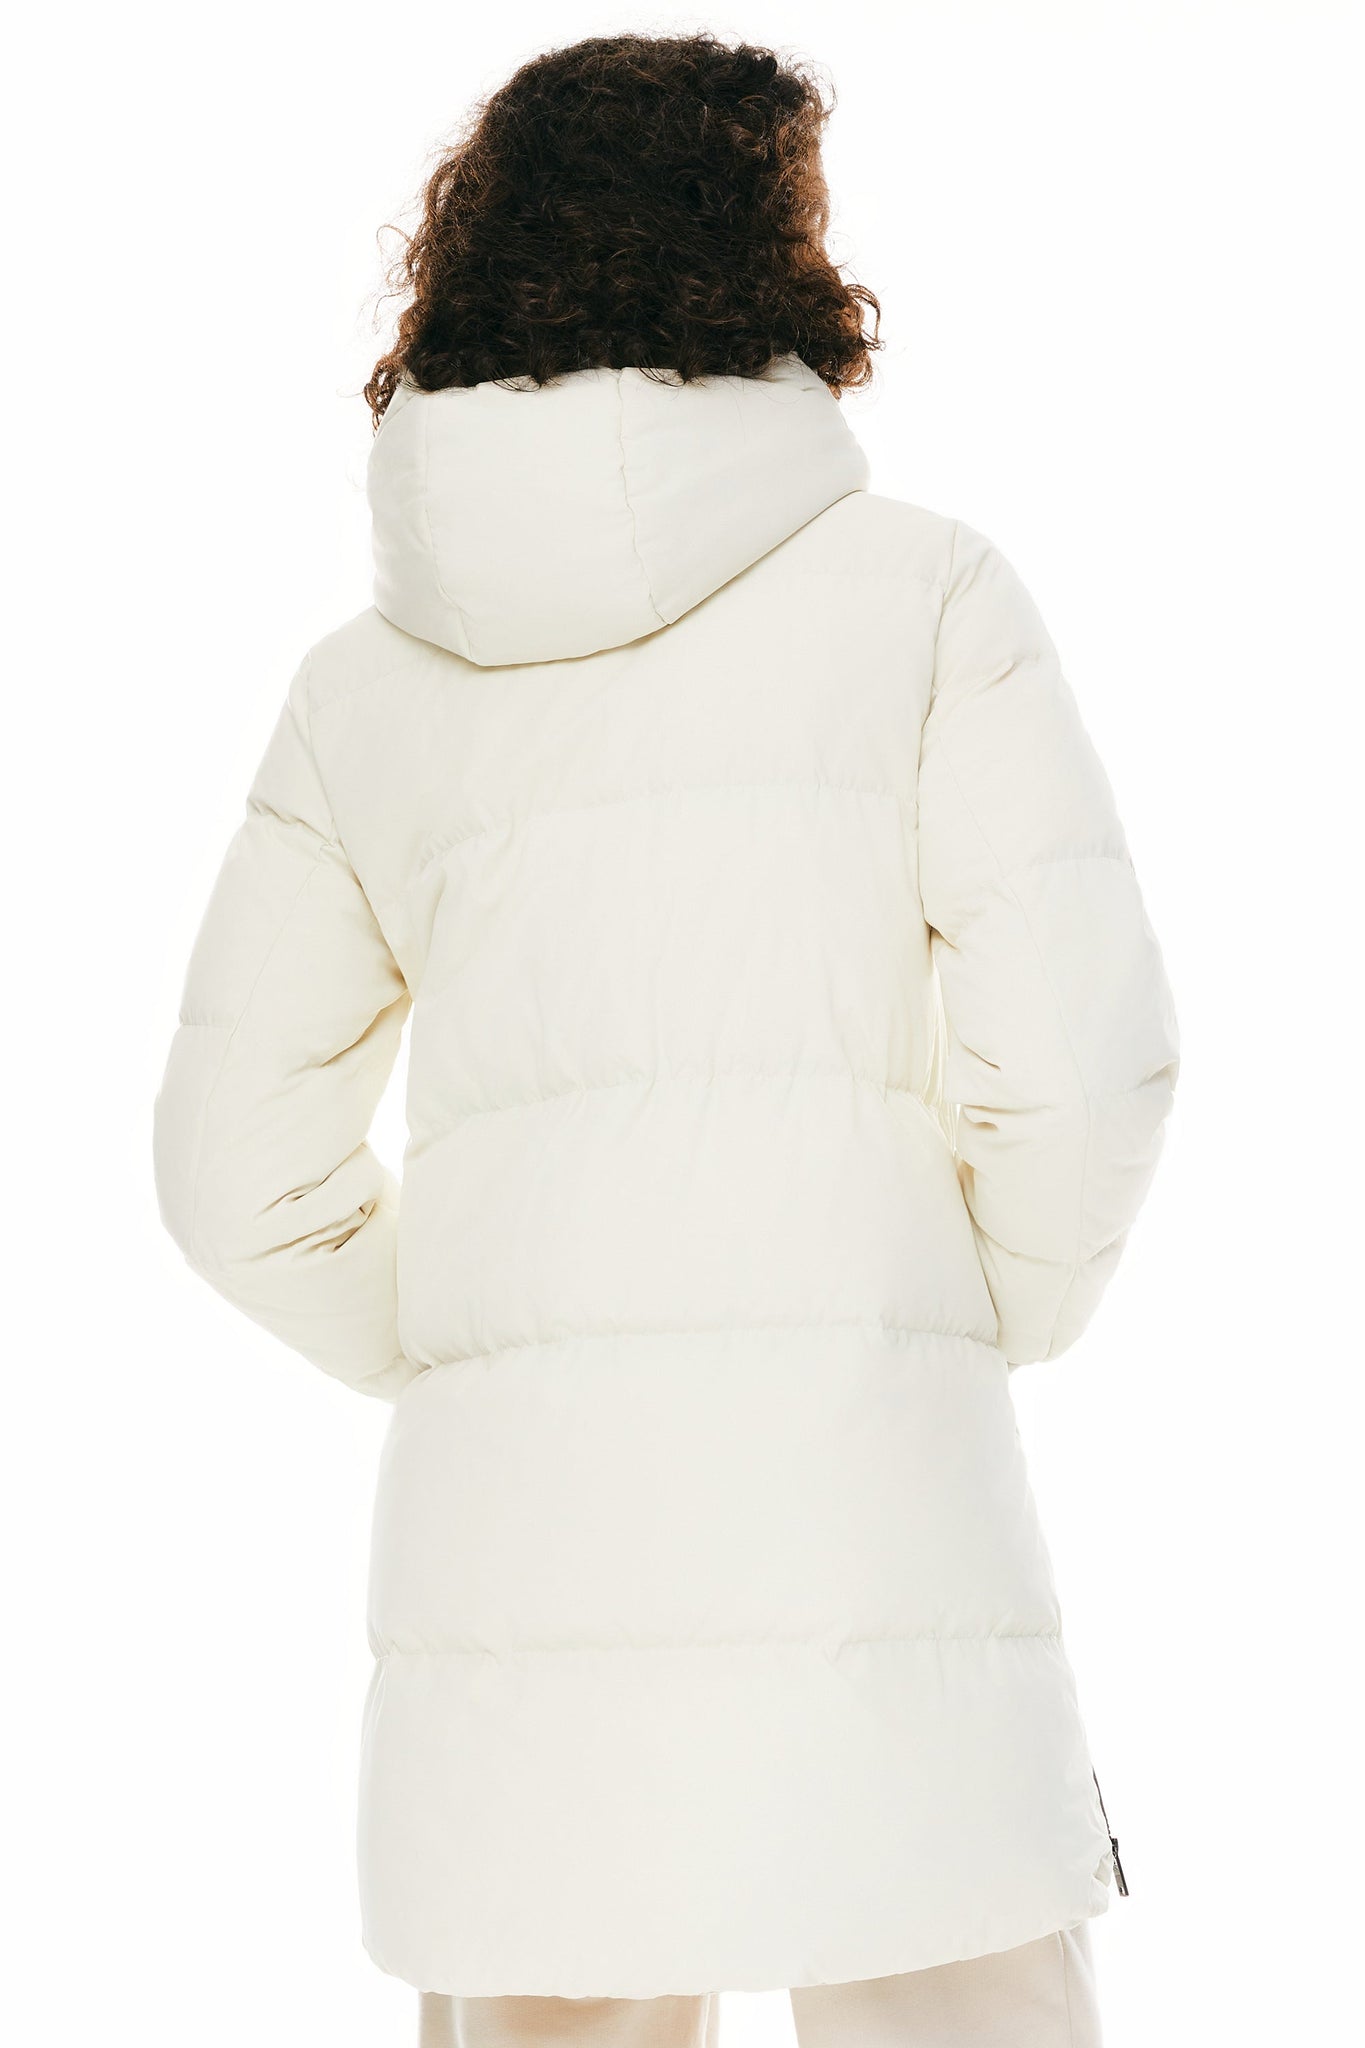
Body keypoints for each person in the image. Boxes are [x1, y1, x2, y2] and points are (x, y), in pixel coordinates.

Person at [155, 30, 1177, 2047]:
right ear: (769, 251)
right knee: (950, 1973)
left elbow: (227, 1170)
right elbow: (1079, 1057)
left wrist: (478, 1338)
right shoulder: (923, 593)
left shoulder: (363, 686)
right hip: (869, 1528)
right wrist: (975, 1306)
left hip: (515, 1570)